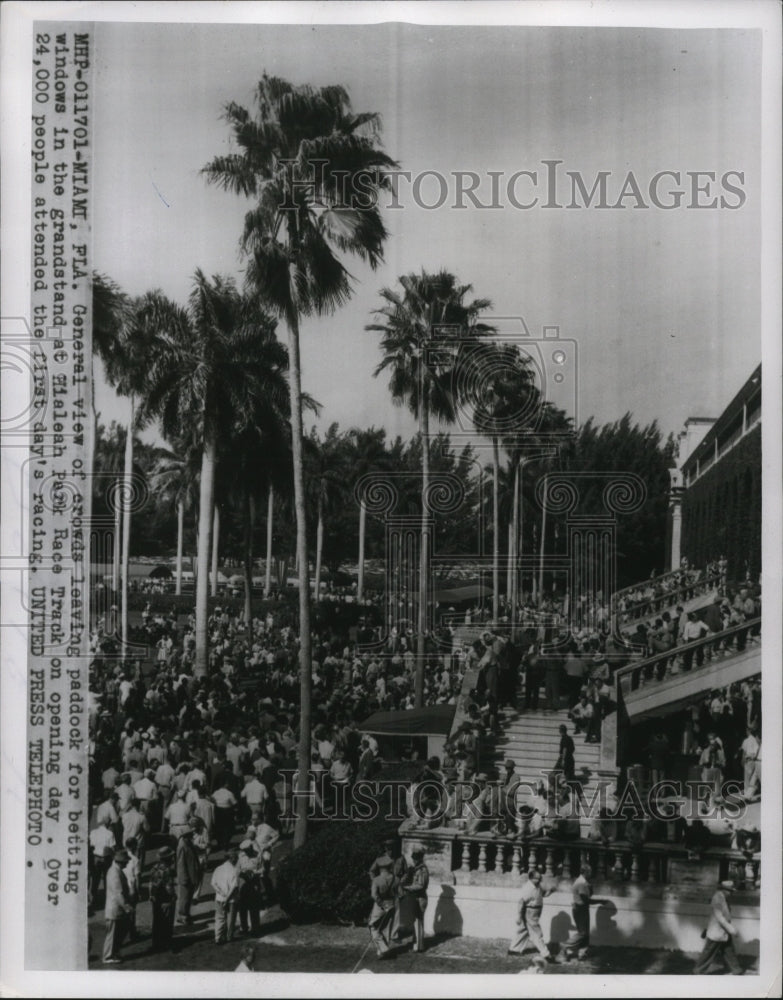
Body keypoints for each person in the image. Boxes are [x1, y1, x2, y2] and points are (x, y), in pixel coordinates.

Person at [693, 880, 743, 975]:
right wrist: (732, 930)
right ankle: (698, 970)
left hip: (723, 931)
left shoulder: (724, 898)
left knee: (729, 950)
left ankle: (736, 969)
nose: (731, 893)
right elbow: (720, 918)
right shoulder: (717, 898)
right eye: (730, 891)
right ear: (724, 890)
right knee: (708, 952)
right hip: (717, 930)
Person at [559, 864, 605, 961]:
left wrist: (590, 887)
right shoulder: (581, 883)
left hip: (582, 909)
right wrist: (600, 901)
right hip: (580, 909)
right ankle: (565, 945)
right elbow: (586, 900)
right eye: (590, 872)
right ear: (585, 872)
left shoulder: (584, 882)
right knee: (583, 933)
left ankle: (582, 953)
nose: (592, 873)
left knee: (585, 933)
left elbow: (589, 895)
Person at [508, 869, 553, 963]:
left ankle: (513, 949)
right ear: (531, 878)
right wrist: (519, 916)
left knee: (523, 931)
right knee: (537, 933)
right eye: (537, 878)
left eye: (540, 878)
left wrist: (551, 891)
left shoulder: (537, 886)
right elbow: (521, 902)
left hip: (535, 912)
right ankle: (546, 954)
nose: (539, 880)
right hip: (530, 912)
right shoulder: (528, 888)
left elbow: (543, 894)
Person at [102, 848, 133, 964]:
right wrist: (126, 907)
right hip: (115, 908)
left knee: (118, 932)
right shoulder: (115, 873)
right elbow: (118, 892)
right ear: (121, 861)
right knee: (112, 934)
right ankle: (108, 955)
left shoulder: (115, 870)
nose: (127, 862)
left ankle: (114, 952)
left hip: (116, 908)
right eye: (126, 861)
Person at [400, 847, 429, 953]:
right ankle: (416, 943)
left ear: (420, 858)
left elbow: (420, 885)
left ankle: (419, 946)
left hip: (420, 898)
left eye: (416, 858)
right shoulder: (416, 868)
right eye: (414, 858)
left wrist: (407, 888)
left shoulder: (422, 870)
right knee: (415, 921)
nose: (414, 860)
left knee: (419, 921)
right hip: (415, 898)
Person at [149, 846, 177, 953]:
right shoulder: (167, 870)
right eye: (171, 857)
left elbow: (151, 884)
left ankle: (156, 943)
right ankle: (166, 943)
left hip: (156, 899)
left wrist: (151, 895)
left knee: (157, 921)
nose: (173, 858)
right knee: (167, 922)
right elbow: (169, 886)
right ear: (167, 858)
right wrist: (173, 895)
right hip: (166, 899)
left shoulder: (154, 868)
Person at [369, 855, 397, 958]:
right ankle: (380, 951)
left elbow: (374, 895)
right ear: (389, 866)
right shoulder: (396, 879)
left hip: (380, 907)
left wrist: (382, 904)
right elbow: (400, 894)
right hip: (392, 906)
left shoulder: (376, 880)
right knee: (383, 928)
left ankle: (384, 949)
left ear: (380, 867)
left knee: (373, 927)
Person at [211, 848, 240, 944]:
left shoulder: (218, 868)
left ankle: (218, 937)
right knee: (231, 919)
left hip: (219, 898)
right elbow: (234, 887)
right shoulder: (234, 870)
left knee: (219, 918)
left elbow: (213, 884)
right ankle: (229, 937)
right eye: (236, 858)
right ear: (232, 859)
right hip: (231, 900)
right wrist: (227, 898)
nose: (237, 860)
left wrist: (221, 893)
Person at [175, 824, 201, 925]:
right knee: (184, 898)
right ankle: (182, 916)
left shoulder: (188, 843)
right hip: (186, 877)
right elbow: (181, 864)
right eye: (190, 833)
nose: (192, 834)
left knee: (188, 897)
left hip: (191, 875)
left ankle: (186, 914)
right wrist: (184, 878)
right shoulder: (182, 846)